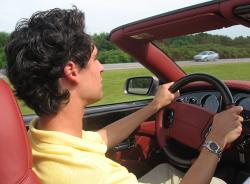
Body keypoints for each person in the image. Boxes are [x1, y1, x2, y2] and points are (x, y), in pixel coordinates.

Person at [5, 7, 244, 184]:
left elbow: (99, 139)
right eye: (95, 58)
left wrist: (153, 106)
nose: (101, 68)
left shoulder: (42, 138)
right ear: (71, 70)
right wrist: (215, 141)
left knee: (165, 171)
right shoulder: (91, 176)